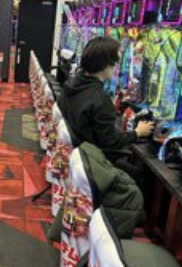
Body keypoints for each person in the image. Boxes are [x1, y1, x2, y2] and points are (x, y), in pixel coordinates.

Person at [59, 36, 155, 180]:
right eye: (115, 63)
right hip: (92, 162)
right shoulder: (100, 100)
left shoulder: (71, 84)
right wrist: (137, 133)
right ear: (105, 65)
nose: (116, 67)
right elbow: (110, 142)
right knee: (142, 178)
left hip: (76, 156)